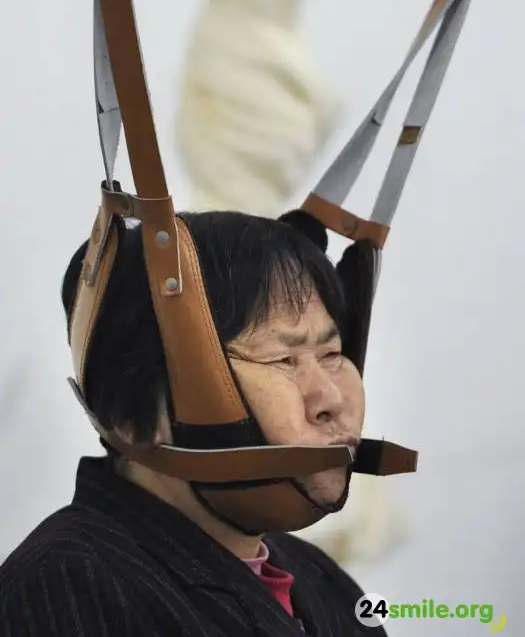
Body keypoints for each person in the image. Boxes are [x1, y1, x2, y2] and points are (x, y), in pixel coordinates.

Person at [0, 210, 387, 636]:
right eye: (282, 359)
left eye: (331, 354)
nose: (331, 399)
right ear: (132, 413)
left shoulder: (323, 580)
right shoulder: (67, 588)